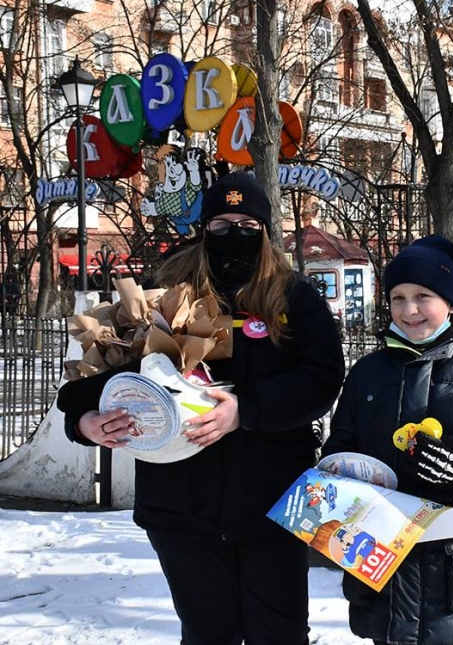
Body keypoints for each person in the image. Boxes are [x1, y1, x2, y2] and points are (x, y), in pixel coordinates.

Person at [57, 171, 345, 645]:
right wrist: (84, 423)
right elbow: (102, 376)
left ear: (267, 231)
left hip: (274, 500)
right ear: (203, 227)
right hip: (179, 505)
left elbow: (321, 379)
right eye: (222, 222)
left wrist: (245, 411)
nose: (235, 233)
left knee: (281, 634)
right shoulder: (164, 289)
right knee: (208, 633)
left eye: (248, 223)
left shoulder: (293, 295)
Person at [321, 235, 453, 645]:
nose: (409, 310)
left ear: (451, 302)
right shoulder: (367, 373)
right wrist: (338, 473)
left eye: (423, 296)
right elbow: (340, 445)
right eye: (398, 297)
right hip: (381, 561)